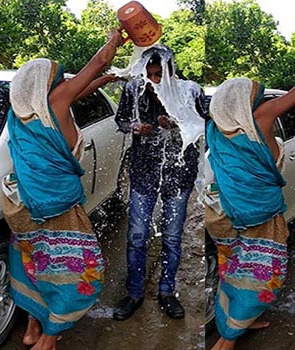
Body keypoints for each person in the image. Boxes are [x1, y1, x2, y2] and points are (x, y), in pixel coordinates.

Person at [1, 30, 124, 350]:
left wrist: (102, 82)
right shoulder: (58, 101)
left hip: (22, 202)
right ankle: (49, 337)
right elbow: (97, 62)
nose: (61, 84)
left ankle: (30, 328)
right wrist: (113, 40)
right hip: (58, 206)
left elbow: (78, 90)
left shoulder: (23, 110)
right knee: (74, 270)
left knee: (35, 263)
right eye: (56, 79)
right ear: (48, 84)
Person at [204, 53, 295, 350]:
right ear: (243, 102)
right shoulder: (261, 119)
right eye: (255, 97)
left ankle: (241, 321)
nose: (259, 102)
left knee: (233, 270)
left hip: (220, 214)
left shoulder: (216, 129)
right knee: (260, 274)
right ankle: (227, 340)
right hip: (257, 215)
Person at [112, 45, 205, 321]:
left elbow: (203, 124)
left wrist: (177, 124)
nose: (154, 80)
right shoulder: (134, 90)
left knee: (173, 236)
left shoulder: (190, 91)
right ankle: (134, 293)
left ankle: (167, 292)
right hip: (143, 171)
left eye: (158, 74)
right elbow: (121, 121)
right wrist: (136, 128)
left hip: (179, 172)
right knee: (137, 234)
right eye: (149, 74)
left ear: (169, 71)